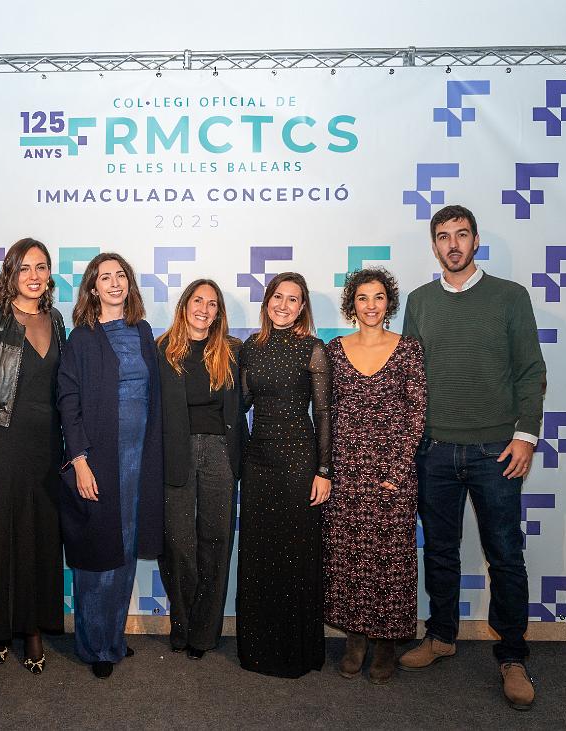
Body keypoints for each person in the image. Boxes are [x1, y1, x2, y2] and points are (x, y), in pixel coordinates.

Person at [400, 204, 547, 711]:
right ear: (434, 245)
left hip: (496, 450)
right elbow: (411, 379)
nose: (453, 244)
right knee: (440, 551)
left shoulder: (510, 296)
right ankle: (441, 636)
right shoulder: (419, 301)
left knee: (504, 553)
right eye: (444, 236)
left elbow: (530, 370)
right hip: (434, 450)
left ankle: (513, 656)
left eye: (461, 234)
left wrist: (526, 436)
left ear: (476, 240)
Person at [0, 238, 66, 674]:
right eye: (25, 268)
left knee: (40, 537)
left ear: (49, 274)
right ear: (11, 274)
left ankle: (33, 628)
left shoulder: (56, 319)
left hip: (46, 447)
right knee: (3, 537)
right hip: (2, 442)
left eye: (41, 267)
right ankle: (0, 629)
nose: (34, 276)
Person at [57, 253, 163, 679]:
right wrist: (80, 460)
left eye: (121, 276)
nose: (115, 283)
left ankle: (113, 638)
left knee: (125, 551)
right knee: (96, 556)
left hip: (139, 460)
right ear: (93, 288)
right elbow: (68, 402)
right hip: (99, 458)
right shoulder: (82, 338)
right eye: (106, 277)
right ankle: (94, 645)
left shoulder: (143, 331)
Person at [324, 267, 426, 684]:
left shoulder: (409, 350)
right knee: (348, 558)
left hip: (392, 476)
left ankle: (386, 643)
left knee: (391, 561)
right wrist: (328, 469)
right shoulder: (333, 351)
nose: (371, 305)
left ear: (389, 303)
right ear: (352, 304)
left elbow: (417, 415)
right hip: (346, 474)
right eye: (363, 297)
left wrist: (397, 471)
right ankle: (355, 640)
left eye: (378, 297)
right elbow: (326, 412)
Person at [237, 272, 332, 678]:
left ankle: (296, 651)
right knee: (259, 554)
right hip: (258, 461)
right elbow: (240, 402)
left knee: (296, 554)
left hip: (298, 462)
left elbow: (324, 413)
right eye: (278, 297)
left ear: (302, 307)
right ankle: (259, 649)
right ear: (267, 302)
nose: (284, 305)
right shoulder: (250, 348)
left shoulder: (313, 348)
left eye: (293, 299)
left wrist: (324, 470)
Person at [156, 279, 247, 660]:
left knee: (216, 542)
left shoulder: (232, 350)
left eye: (212, 304)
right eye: (198, 301)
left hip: (221, 452)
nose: (204, 309)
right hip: (174, 453)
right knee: (178, 543)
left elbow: (244, 400)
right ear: (184, 305)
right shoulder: (161, 349)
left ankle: (204, 634)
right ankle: (182, 625)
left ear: (218, 313)